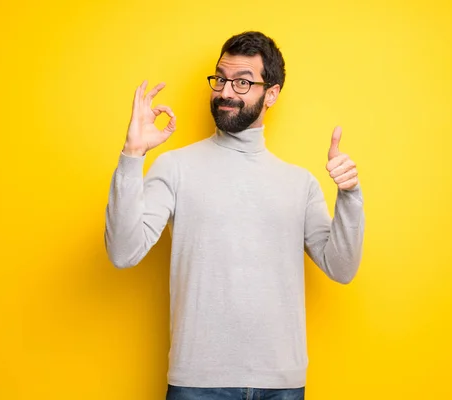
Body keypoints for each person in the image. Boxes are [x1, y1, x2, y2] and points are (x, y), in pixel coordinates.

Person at [105, 31, 365, 400]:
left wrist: (350, 195)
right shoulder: (175, 167)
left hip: (282, 384)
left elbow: (342, 267)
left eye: (243, 82)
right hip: (196, 382)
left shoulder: (299, 183)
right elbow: (122, 252)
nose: (226, 91)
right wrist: (132, 156)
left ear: (270, 94)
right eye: (221, 79)